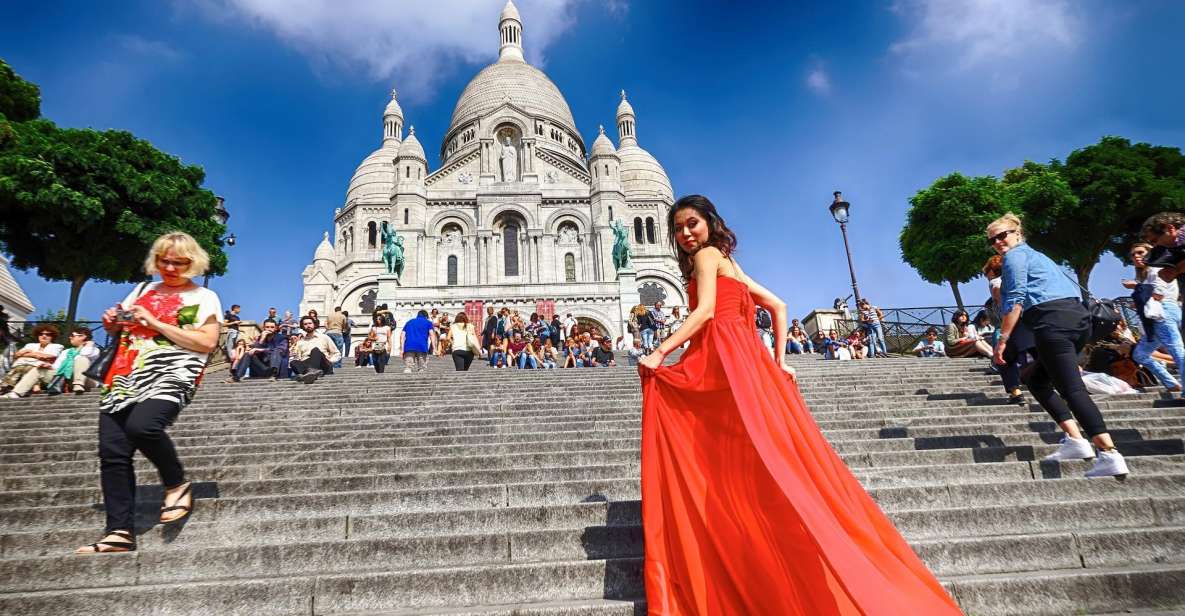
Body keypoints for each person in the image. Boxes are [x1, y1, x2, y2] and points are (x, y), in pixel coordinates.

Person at [638, 195, 960, 613]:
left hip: (721, 354)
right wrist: (780, 362)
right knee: (765, 447)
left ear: (709, 222)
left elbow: (705, 313)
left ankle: (729, 521)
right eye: (679, 229)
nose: (685, 235)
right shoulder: (730, 261)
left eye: (692, 224)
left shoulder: (707, 257)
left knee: (703, 432)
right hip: (747, 357)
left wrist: (660, 352)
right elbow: (779, 305)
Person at [72, 232, 221, 555]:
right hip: (125, 373)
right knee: (113, 453)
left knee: (143, 427)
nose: (169, 267)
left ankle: (176, 482)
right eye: (163, 260)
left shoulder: (203, 297)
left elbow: (207, 342)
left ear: (192, 263)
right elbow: (122, 326)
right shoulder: (141, 290)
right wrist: (112, 322)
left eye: (178, 262)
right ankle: (119, 531)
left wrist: (155, 323)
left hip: (171, 373)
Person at [989, 212, 1128, 477]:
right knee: (1035, 378)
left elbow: (1016, 299)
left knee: (1072, 389)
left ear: (1017, 233)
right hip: (1075, 320)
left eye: (1002, 235)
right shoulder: (1038, 255)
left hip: (1051, 321)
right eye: (992, 240)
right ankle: (1076, 441)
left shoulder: (1016, 256)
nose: (997, 242)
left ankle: (1109, 453)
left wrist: (1003, 340)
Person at [1125, 242, 1185, 393]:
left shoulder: (1154, 268)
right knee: (1140, 354)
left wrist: (1136, 287)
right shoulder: (1149, 272)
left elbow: (1158, 294)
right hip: (1160, 313)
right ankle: (1172, 383)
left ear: (1149, 252)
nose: (1136, 257)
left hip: (1163, 312)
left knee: (1177, 351)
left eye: (1140, 252)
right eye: (1133, 255)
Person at [1, 325, 64, 398]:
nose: (44, 336)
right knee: (21, 363)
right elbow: (17, 355)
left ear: (52, 336)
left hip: (45, 374)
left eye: (48, 334)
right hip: (24, 369)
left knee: (26, 364)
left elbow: (49, 356)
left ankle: (7, 388)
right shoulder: (30, 345)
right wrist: (37, 356)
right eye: (41, 334)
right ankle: (34, 386)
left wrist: (29, 353)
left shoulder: (57, 346)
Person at [289, 316, 340, 384]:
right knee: (293, 362)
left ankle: (309, 373)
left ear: (314, 324)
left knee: (315, 350)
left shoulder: (324, 337)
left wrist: (330, 360)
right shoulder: (300, 342)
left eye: (310, 323)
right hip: (307, 363)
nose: (308, 325)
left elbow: (336, 353)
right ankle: (311, 374)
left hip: (323, 363)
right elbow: (298, 358)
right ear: (302, 326)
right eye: (305, 324)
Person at [52, 327, 102, 395]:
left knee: (82, 359)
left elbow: (84, 354)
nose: (70, 337)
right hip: (68, 380)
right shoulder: (66, 352)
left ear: (83, 337)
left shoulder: (94, 350)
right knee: (38, 369)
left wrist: (89, 344)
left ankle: (78, 384)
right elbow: (56, 367)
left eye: (72, 335)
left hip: (88, 381)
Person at [401, 310, 434, 374]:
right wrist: (434, 348)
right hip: (422, 346)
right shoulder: (428, 322)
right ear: (426, 316)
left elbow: (402, 335)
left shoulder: (409, 322)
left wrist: (402, 349)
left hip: (409, 346)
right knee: (422, 368)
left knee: (408, 367)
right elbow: (432, 334)